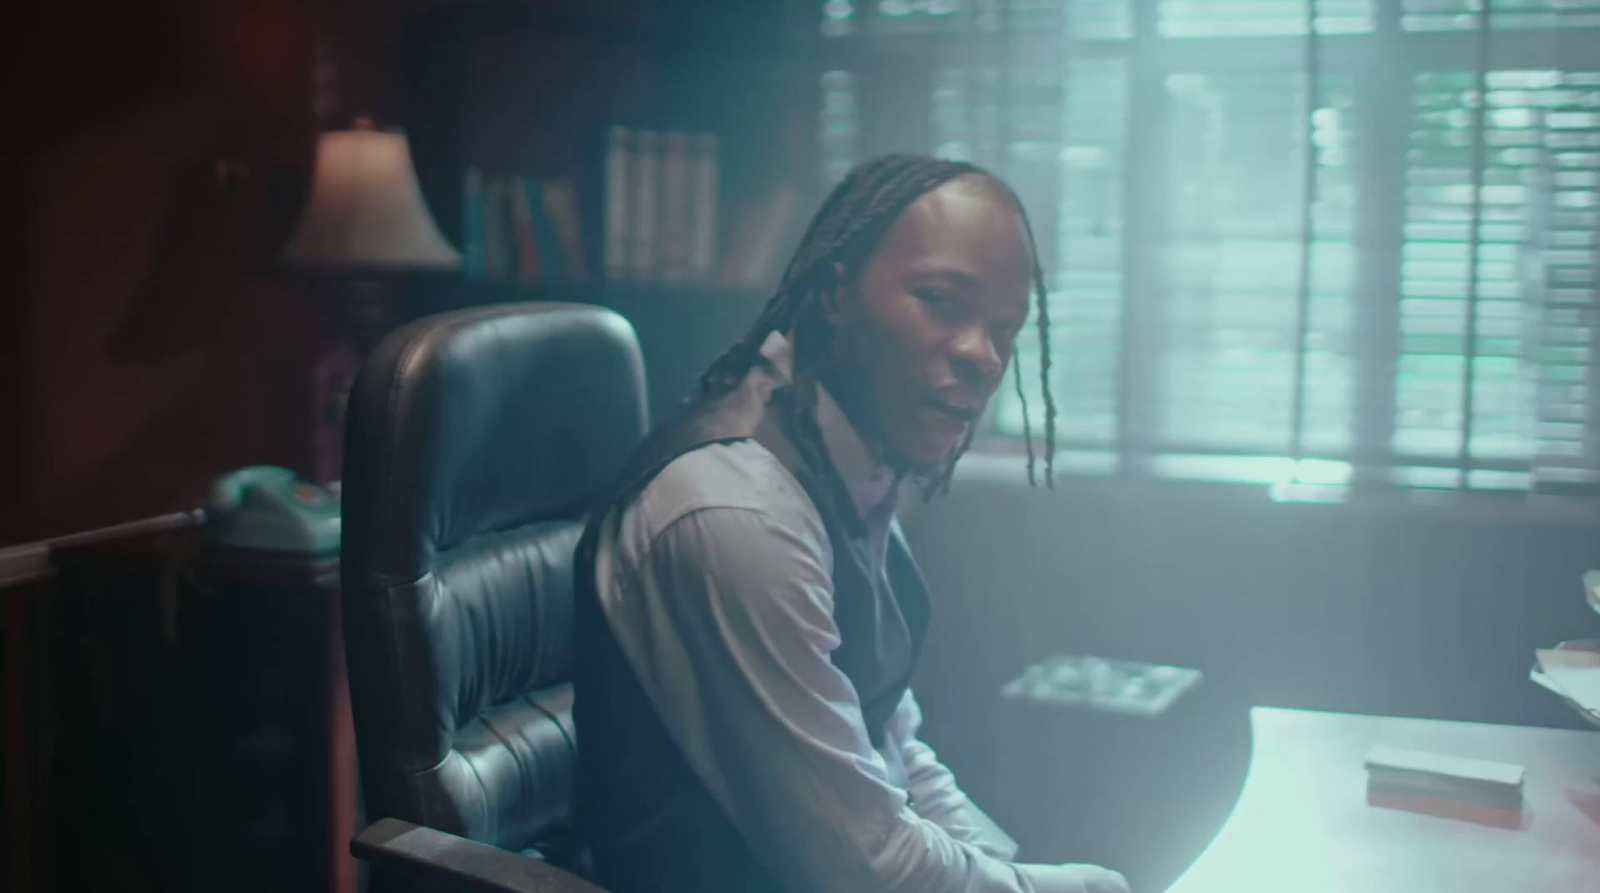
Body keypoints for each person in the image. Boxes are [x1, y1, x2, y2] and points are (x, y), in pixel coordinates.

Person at [572, 153, 1129, 893]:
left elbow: (889, 742)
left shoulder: (844, 457)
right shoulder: (741, 511)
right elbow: (864, 869)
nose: (982, 356)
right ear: (836, 292)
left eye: (1005, 328)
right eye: (940, 300)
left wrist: (1009, 871)